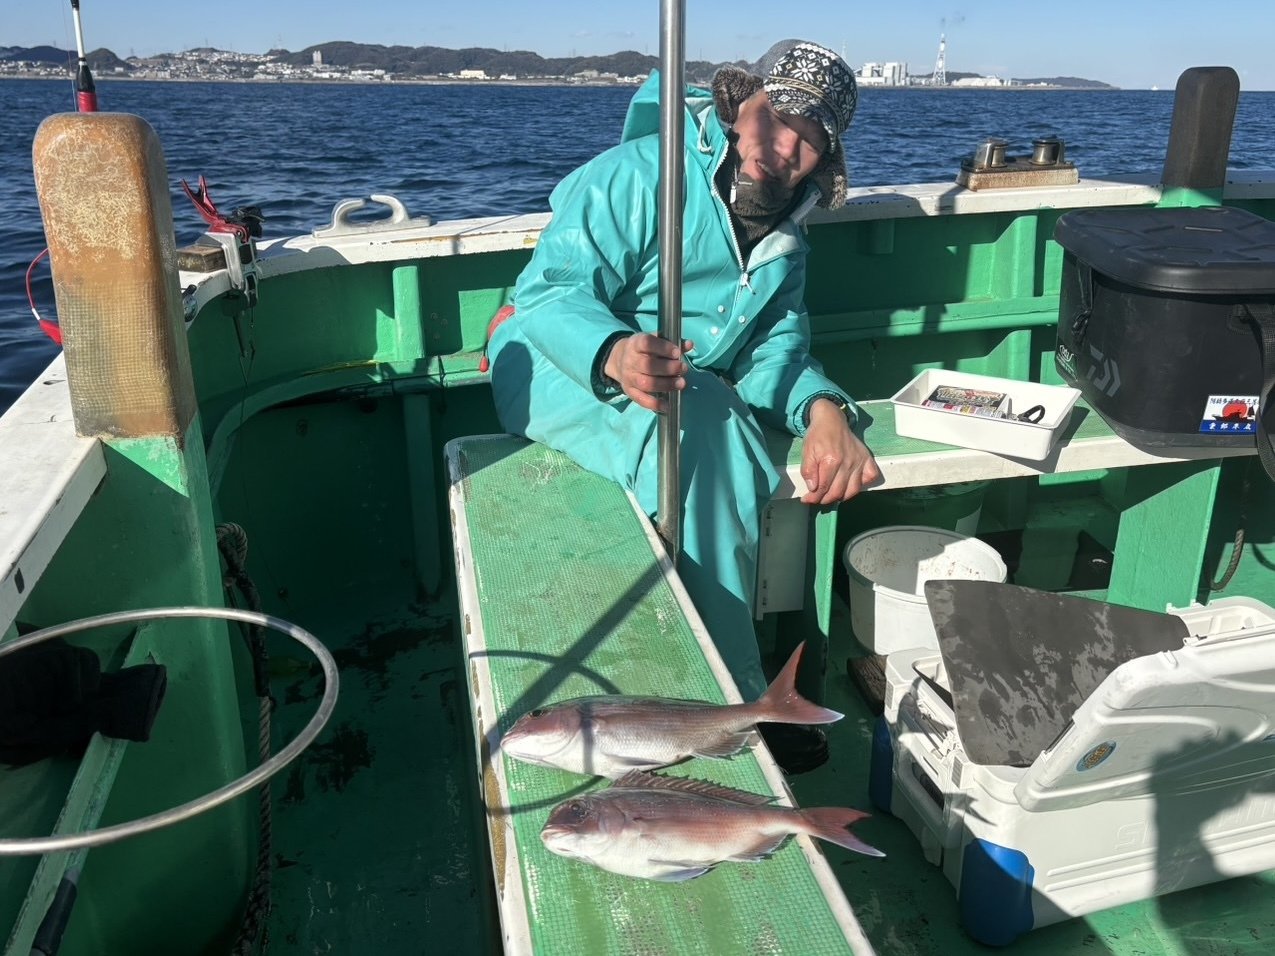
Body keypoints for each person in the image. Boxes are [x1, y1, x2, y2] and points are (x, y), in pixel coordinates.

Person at [487, 39, 880, 770]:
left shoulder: (788, 238)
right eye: (775, 116)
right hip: (554, 368)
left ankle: (700, 686)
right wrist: (611, 350)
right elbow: (549, 293)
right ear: (740, 105)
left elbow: (772, 354)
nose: (782, 146)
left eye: (809, 137)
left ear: (823, 159)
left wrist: (824, 410)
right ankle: (735, 702)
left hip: (681, 390)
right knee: (706, 423)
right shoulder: (641, 176)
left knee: (706, 418)